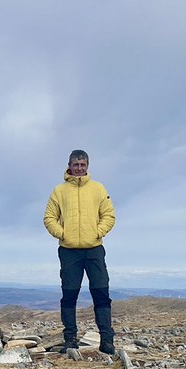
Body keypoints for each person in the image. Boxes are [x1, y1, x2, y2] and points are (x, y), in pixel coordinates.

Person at [43, 149, 117, 356]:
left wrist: (97, 232)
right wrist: (63, 234)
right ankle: (70, 340)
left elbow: (109, 215)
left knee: (101, 293)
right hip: (69, 252)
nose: (79, 168)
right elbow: (49, 218)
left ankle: (107, 340)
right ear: (69, 165)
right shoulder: (59, 190)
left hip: (94, 249)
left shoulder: (98, 189)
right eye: (76, 165)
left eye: (83, 165)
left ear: (87, 166)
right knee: (69, 295)